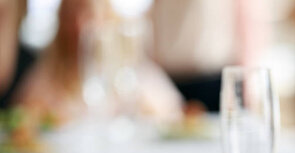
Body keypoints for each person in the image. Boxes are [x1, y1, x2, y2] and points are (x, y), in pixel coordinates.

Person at [12, 0, 182, 125]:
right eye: (70, 17)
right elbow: (22, 120)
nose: (78, 25)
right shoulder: (44, 75)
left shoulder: (132, 71)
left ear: (107, 18)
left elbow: (172, 114)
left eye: (88, 14)